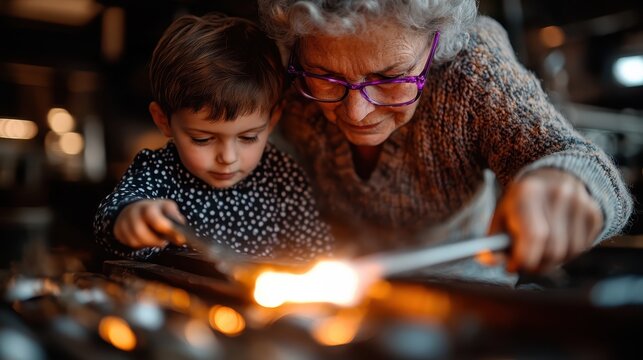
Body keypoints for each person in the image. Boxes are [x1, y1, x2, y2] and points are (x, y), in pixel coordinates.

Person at [258, 0, 633, 285]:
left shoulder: (473, 67)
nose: (356, 113)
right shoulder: (285, 71)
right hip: (333, 284)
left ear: (436, 44)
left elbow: (576, 160)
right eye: (326, 77)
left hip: (462, 286)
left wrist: (566, 181)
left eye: (390, 77)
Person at [93, 13, 333, 262]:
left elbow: (314, 253)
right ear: (163, 120)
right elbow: (111, 218)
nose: (227, 158)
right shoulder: (159, 172)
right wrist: (131, 217)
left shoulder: (284, 178)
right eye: (202, 139)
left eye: (248, 137)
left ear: (272, 120)